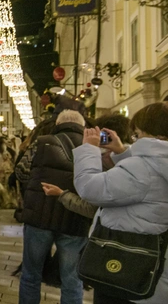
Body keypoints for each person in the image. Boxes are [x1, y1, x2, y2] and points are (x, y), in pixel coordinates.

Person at [74, 103, 168, 304]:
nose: (135, 137)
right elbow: (144, 184)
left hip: (127, 267)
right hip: (155, 266)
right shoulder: (158, 164)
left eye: (137, 134)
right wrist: (121, 151)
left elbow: (89, 188)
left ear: (149, 132)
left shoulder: (143, 169)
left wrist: (88, 150)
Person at [19, 110, 92, 304]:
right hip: (75, 220)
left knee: (31, 275)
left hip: (39, 216)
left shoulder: (41, 142)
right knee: (71, 279)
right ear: (82, 126)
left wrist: (35, 187)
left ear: (58, 124)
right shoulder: (92, 148)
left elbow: (21, 171)